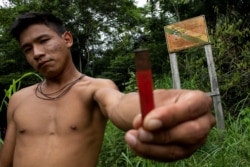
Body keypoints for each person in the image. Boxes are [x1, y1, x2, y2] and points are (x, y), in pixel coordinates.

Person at [0, 12, 215, 167]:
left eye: (43, 40)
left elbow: (119, 104)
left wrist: (158, 108)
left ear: (67, 39)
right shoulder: (19, 100)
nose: (37, 53)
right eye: (27, 49)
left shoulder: (95, 88)